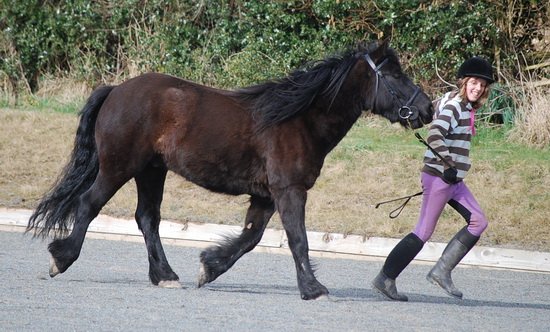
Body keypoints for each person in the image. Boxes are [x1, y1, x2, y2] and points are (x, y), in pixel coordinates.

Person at [372, 56, 495, 301]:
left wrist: (453, 169)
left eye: (482, 85)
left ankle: (442, 271)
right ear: (464, 82)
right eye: (474, 83)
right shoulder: (454, 106)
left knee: (478, 221)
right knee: (423, 232)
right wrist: (448, 163)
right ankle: (385, 278)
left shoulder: (464, 106)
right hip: (440, 177)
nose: (478, 88)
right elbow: (435, 134)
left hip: (454, 181)